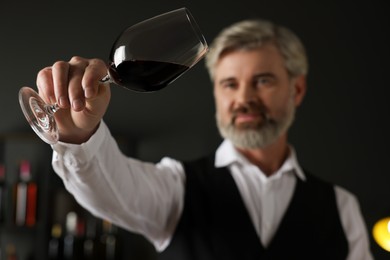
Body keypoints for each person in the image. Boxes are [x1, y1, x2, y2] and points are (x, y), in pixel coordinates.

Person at [35, 18, 373, 259]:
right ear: (216, 92)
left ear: (296, 90)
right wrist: (79, 133)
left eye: (263, 80)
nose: (244, 98)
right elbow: (113, 190)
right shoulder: (177, 186)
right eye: (230, 84)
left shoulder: (341, 207)